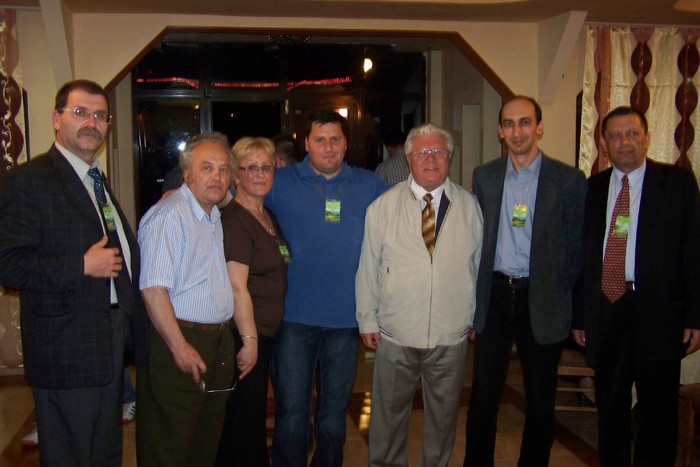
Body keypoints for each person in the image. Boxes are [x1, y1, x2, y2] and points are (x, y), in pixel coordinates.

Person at [0, 79, 148, 466]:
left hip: (109, 340)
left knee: (105, 453)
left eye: (101, 115)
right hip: (66, 348)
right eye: (80, 112)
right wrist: (81, 265)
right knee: (71, 455)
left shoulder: (96, 180)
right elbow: (9, 264)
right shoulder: (29, 180)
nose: (92, 122)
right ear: (56, 118)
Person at [572, 106, 700, 466]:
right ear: (605, 144)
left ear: (646, 137)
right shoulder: (592, 189)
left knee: (657, 411)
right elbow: (583, 257)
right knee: (610, 405)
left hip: (659, 312)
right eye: (615, 135)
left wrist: (695, 315)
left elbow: (694, 251)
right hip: (607, 308)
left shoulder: (677, 184)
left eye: (631, 133)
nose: (624, 142)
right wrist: (581, 316)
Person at [464, 95, 586, 467]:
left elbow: (576, 247)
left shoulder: (568, 179)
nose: (517, 131)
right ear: (500, 131)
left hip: (541, 296)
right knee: (483, 397)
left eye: (525, 122)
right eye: (509, 123)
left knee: (540, 401)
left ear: (539, 127)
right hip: (497, 296)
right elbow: (476, 243)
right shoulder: (484, 176)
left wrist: (560, 292)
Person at [265, 109, 390, 466]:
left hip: (346, 320)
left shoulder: (368, 184)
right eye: (320, 140)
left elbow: (408, 205)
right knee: (292, 413)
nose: (329, 147)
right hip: (294, 317)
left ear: (346, 143)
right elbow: (230, 192)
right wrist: (173, 190)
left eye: (335, 139)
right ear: (306, 144)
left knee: (334, 417)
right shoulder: (280, 182)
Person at [356, 123, 483, 466]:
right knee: (387, 422)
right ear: (408, 159)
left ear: (450, 158)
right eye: (422, 152)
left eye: (438, 152)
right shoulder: (382, 207)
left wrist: (475, 315)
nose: (431, 159)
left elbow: (477, 266)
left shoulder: (470, 207)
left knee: (443, 423)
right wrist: (367, 319)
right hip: (395, 334)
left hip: (450, 334)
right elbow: (367, 267)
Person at [136, 131, 258, 466]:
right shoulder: (169, 216)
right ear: (186, 173)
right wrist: (179, 347)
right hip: (181, 339)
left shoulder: (211, 215)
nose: (216, 176)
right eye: (207, 168)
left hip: (216, 341)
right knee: (169, 444)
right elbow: (153, 289)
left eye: (223, 169)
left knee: (204, 443)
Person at [215, 137, 290, 466]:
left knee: (250, 414)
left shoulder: (266, 215)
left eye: (266, 167)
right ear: (236, 174)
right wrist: (249, 341)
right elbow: (237, 287)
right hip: (244, 334)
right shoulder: (235, 219)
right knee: (244, 420)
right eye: (251, 167)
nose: (260, 174)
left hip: (264, 332)